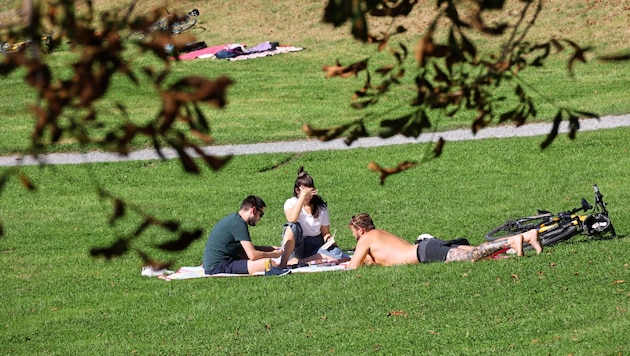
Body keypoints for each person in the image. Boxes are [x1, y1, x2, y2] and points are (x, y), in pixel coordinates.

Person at [346, 213, 542, 270]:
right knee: (479, 253)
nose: (354, 237)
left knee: (471, 257)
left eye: (353, 232)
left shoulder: (365, 238)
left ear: (360, 230)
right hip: (426, 247)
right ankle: (526, 237)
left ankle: (511, 242)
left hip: (425, 253)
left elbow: (353, 267)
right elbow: (387, 256)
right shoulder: (380, 233)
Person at [277, 167, 349, 268]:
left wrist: (328, 239)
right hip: (297, 243)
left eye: (310, 192)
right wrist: (302, 197)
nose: (309, 195)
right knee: (291, 226)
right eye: (306, 193)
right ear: (297, 190)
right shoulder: (291, 202)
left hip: (315, 244)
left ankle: (299, 262)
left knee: (337, 254)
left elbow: (325, 232)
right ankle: (284, 263)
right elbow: (292, 219)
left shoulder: (321, 207)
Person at [202, 195, 290, 276]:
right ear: (253, 210)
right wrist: (274, 254)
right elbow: (252, 255)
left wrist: (270, 248)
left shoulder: (235, 219)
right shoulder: (238, 224)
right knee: (268, 263)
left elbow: (244, 250)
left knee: (264, 261)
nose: (259, 219)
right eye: (261, 215)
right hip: (218, 267)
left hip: (219, 263)